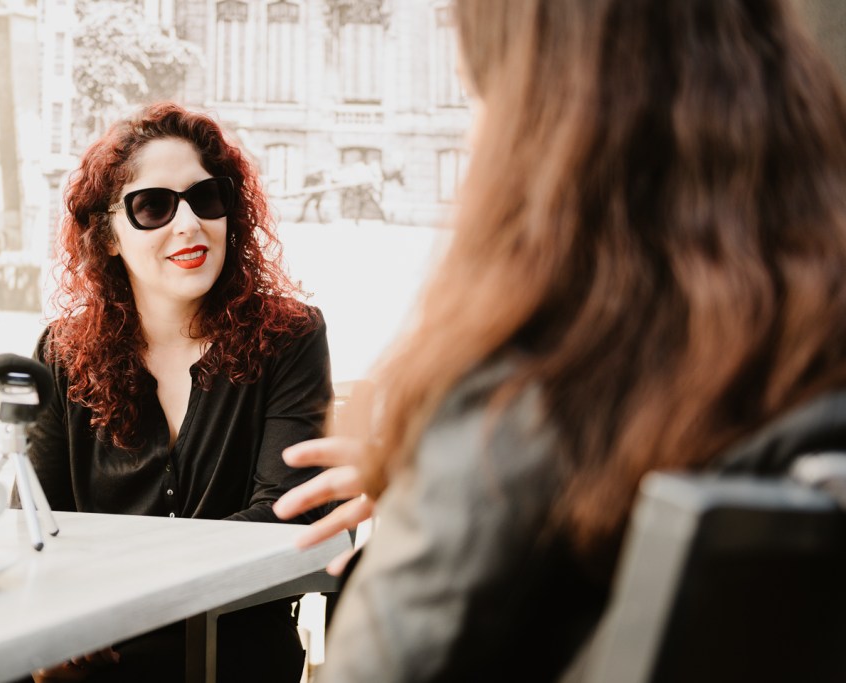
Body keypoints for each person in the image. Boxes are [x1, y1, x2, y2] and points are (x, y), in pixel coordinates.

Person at [273, 0, 846, 681]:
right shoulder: (806, 373)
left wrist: (445, 490)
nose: (471, 138)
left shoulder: (516, 403)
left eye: (478, 95)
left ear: (545, 124)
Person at [23, 101, 333, 682]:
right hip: (93, 651)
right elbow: (35, 523)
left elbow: (289, 514)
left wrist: (111, 590)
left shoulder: (289, 336)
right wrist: (59, 627)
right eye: (153, 206)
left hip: (233, 652)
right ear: (107, 236)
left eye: (206, 198)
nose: (189, 223)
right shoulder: (63, 352)